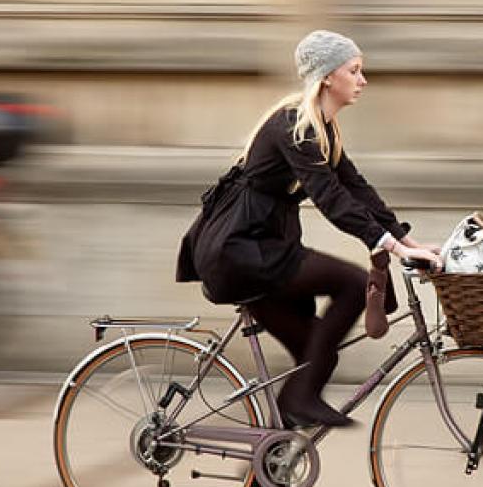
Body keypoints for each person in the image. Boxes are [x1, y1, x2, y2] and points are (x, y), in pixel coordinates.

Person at [176, 30, 441, 428]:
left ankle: (268, 465)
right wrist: (396, 251)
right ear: (327, 77)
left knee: (318, 355)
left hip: (266, 249)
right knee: (352, 285)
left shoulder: (324, 129)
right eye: (354, 71)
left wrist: (409, 242)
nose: (363, 80)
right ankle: (297, 404)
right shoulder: (295, 128)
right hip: (242, 252)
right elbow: (331, 199)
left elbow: (357, 189)